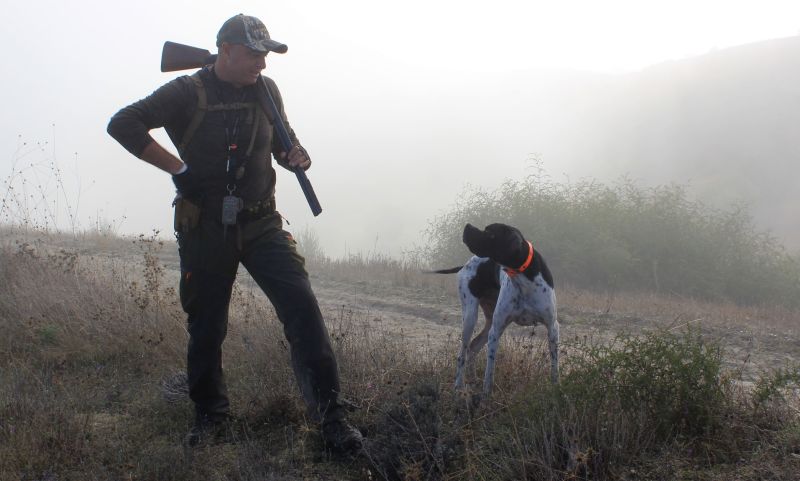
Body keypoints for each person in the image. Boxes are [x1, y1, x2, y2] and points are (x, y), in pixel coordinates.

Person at [107, 13, 362, 453]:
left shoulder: (266, 90)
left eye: (265, 55)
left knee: (303, 311)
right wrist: (178, 168)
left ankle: (332, 419)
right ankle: (210, 417)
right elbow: (123, 123)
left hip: (262, 222)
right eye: (254, 54)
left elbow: (282, 142)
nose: (262, 64)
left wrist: (293, 154)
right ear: (225, 50)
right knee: (206, 327)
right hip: (205, 225)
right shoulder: (186, 91)